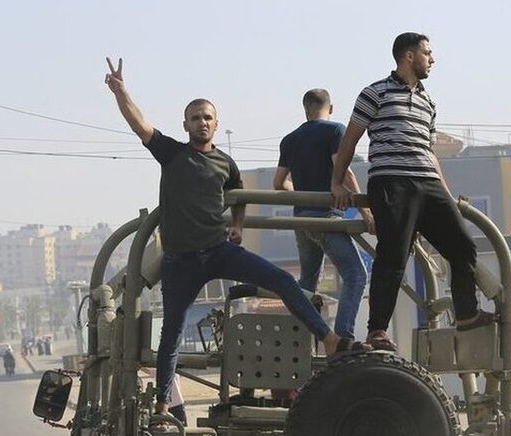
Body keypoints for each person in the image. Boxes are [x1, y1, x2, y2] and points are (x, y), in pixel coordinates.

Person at [103, 57, 355, 415]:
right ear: (186, 124)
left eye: (207, 117)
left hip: (219, 250)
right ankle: (164, 402)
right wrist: (121, 91)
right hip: (180, 261)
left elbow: (239, 193)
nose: (201, 122)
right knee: (172, 331)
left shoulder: (225, 162)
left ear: (216, 124)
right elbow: (140, 125)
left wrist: (237, 224)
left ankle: (328, 339)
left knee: (283, 280)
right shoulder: (172, 153)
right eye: (195, 117)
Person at [331, 32, 489, 352]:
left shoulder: (429, 101)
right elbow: (349, 141)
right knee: (393, 254)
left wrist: (446, 195)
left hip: (428, 184)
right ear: (408, 56)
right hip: (392, 183)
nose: (432, 59)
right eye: (427, 53)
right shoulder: (374, 93)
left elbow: (430, 153)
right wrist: (337, 182)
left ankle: (466, 313)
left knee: (463, 246)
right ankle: (377, 330)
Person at [273, 88, 374, 341]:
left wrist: (299, 192)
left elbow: (278, 183)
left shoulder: (290, 139)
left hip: (302, 219)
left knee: (307, 282)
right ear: (331, 108)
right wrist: (366, 212)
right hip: (326, 217)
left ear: (305, 109)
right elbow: (345, 172)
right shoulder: (335, 130)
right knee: (356, 274)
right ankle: (343, 336)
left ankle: (299, 341)